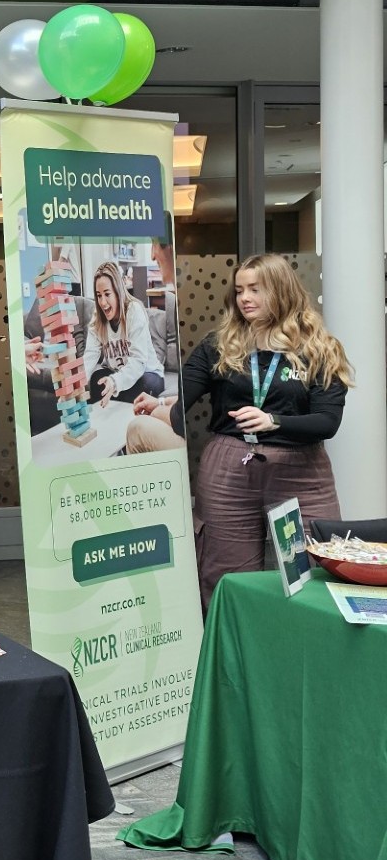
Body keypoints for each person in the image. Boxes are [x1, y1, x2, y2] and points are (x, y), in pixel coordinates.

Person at [133, 253, 352, 610]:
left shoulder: (318, 349)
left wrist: (274, 421)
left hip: (300, 474)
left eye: (255, 289)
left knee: (311, 575)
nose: (244, 298)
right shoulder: (219, 345)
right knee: (226, 580)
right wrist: (161, 405)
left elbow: (327, 422)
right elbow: (181, 409)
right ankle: (233, 660)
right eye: (239, 290)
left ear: (281, 291)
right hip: (230, 473)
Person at [83, 262, 164, 406]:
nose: (102, 302)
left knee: (144, 385)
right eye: (98, 295)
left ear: (118, 291)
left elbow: (139, 362)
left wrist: (115, 382)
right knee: (97, 379)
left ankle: (119, 404)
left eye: (107, 294)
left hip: (147, 373)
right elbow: (90, 355)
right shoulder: (98, 318)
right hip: (117, 374)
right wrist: (76, 384)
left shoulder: (134, 310)